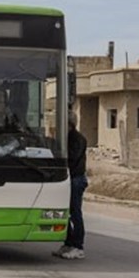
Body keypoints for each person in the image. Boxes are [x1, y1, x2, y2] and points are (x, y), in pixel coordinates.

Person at [53, 111, 88, 260]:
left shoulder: (77, 139)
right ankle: (68, 243)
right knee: (66, 213)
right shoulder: (66, 138)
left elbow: (71, 158)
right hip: (68, 179)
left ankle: (78, 246)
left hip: (76, 179)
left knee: (75, 213)